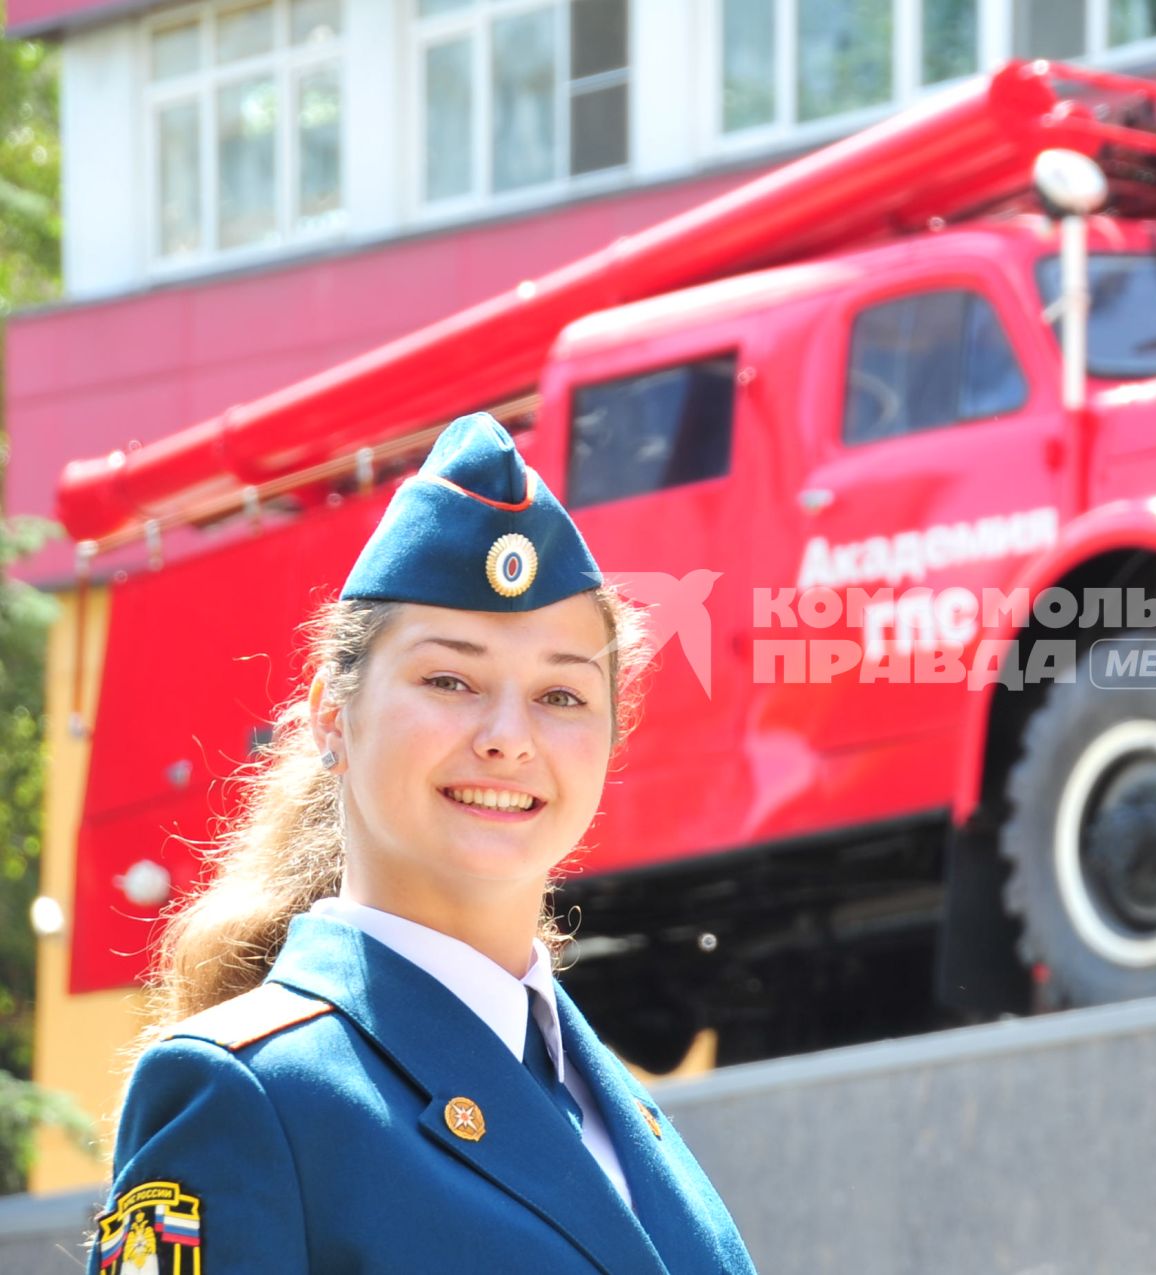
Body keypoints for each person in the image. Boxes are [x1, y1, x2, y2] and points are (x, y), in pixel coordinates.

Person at [89, 414, 758, 1275]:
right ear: (334, 713)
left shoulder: (622, 1118)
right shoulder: (250, 1095)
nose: (509, 737)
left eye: (561, 694)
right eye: (451, 679)